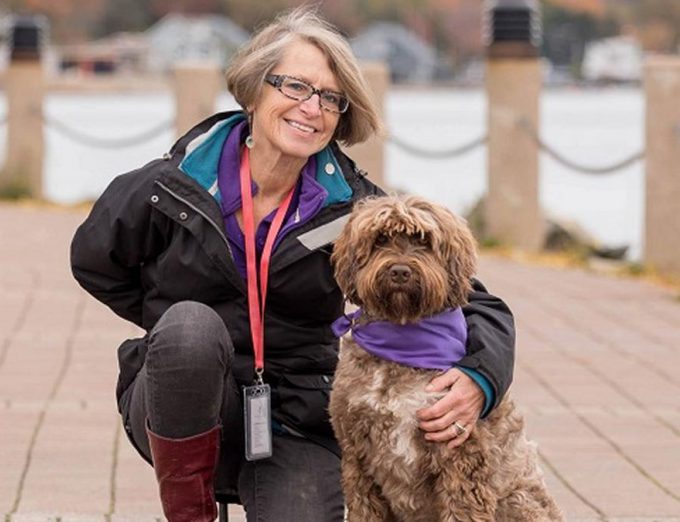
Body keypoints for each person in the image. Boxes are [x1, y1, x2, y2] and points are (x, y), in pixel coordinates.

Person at [70, 8, 515, 522]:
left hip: (296, 414)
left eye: (330, 97)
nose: (311, 107)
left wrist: (479, 378)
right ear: (256, 89)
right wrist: (168, 324)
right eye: (296, 86)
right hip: (181, 401)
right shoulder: (170, 184)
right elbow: (93, 260)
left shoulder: (354, 208)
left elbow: (471, 297)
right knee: (189, 328)